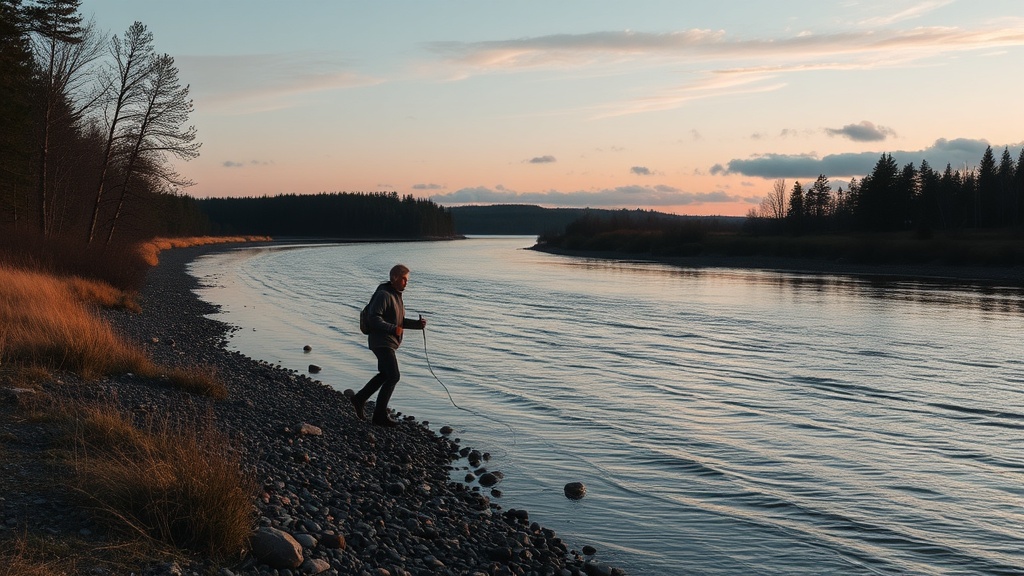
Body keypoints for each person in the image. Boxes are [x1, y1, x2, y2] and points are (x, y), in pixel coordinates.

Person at [351, 264, 426, 427]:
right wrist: (393, 329)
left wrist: (417, 325)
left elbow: (399, 321)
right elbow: (373, 318)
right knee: (393, 376)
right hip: (381, 342)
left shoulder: (396, 295)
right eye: (404, 279)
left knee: (385, 374)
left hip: (387, 342)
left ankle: (359, 399)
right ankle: (379, 415)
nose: (406, 283)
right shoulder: (383, 295)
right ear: (394, 278)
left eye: (407, 280)